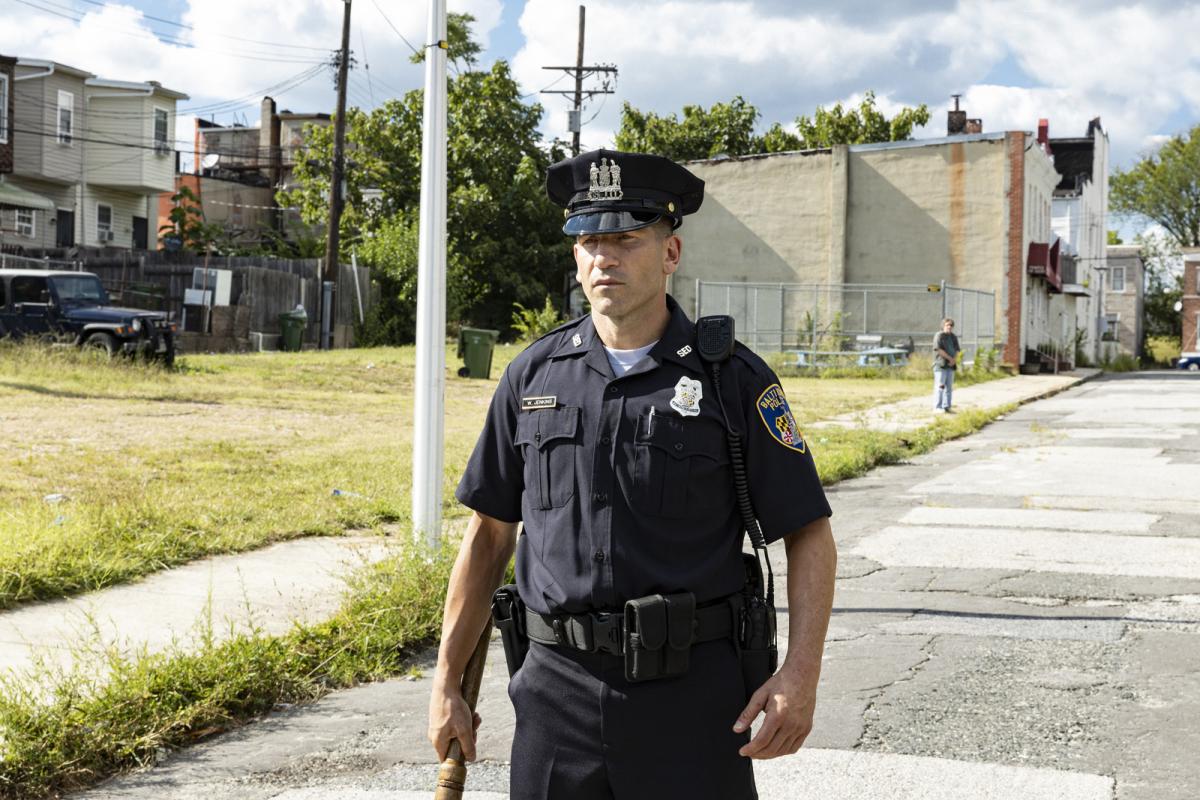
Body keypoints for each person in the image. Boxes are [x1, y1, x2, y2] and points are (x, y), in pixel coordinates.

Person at [428, 148, 837, 800]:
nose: (603, 258)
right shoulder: (532, 378)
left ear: (670, 253)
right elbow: (487, 538)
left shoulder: (731, 381)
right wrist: (447, 681)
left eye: (624, 238)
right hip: (554, 694)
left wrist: (801, 675)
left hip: (692, 701)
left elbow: (809, 534)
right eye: (589, 240)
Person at [933, 317, 960, 412]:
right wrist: (949, 358)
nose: (949, 327)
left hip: (951, 366)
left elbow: (957, 350)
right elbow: (939, 350)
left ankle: (947, 406)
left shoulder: (953, 337)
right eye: (947, 325)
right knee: (940, 386)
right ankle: (937, 407)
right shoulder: (939, 335)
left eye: (951, 325)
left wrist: (954, 360)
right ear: (943, 326)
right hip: (941, 366)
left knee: (949, 387)